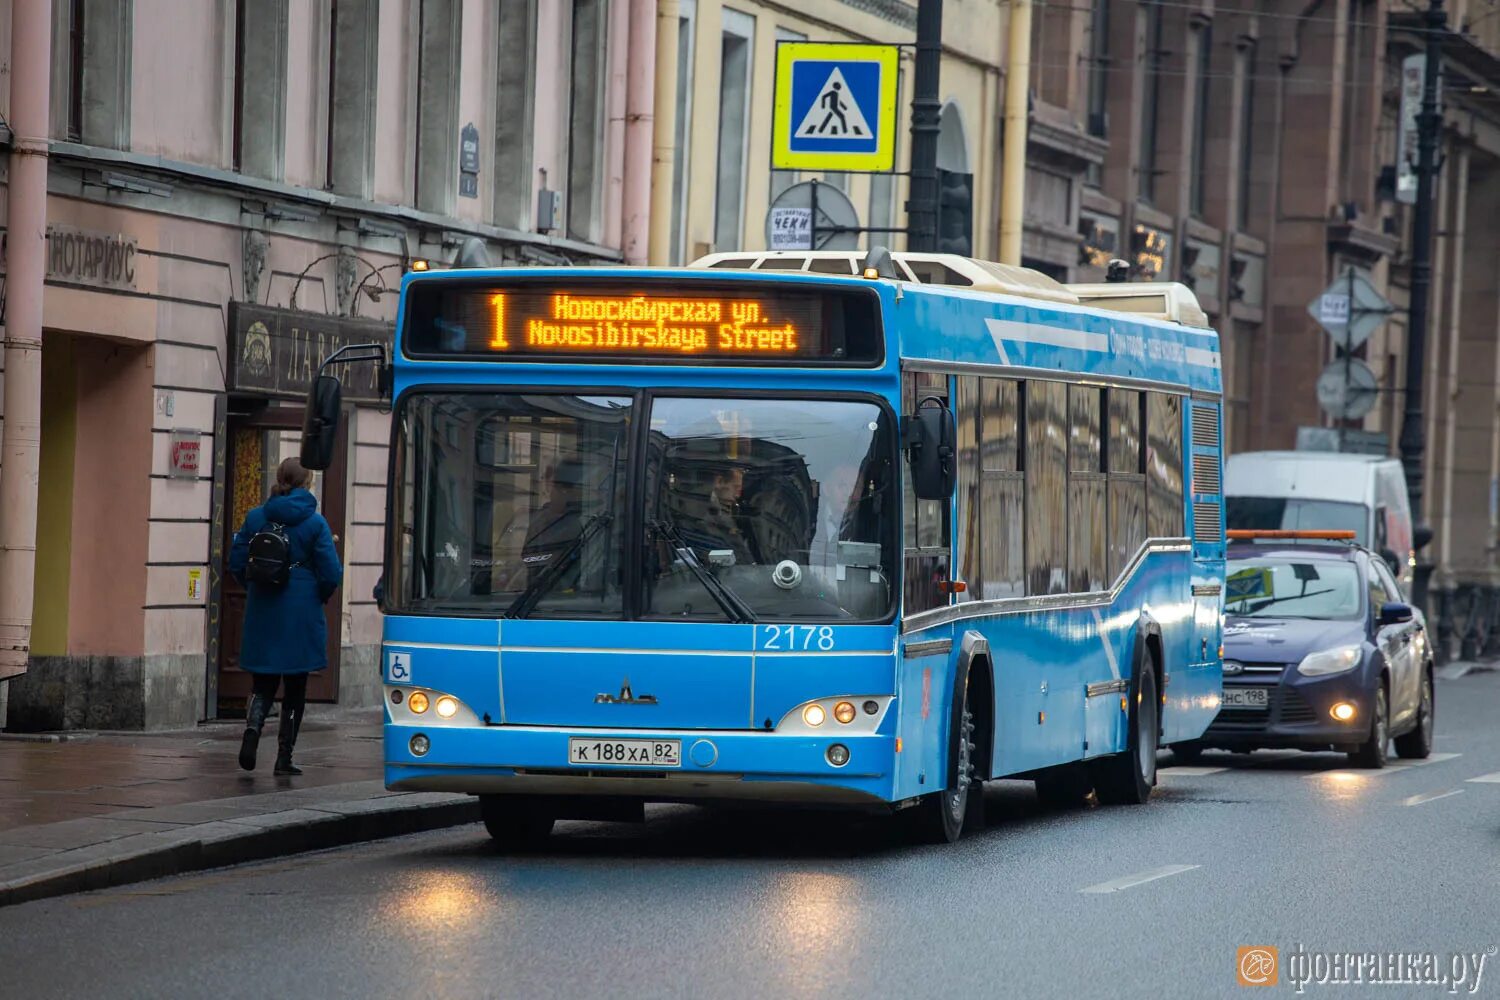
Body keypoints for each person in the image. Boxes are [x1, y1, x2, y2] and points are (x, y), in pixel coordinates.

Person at [228, 457, 343, 776]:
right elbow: (330, 573)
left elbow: (236, 562)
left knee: (262, 681)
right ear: (307, 483)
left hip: (263, 607)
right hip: (301, 610)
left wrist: (255, 588)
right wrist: (317, 594)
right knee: (296, 685)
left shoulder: (255, 517)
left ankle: (252, 729)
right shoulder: (315, 523)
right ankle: (284, 757)